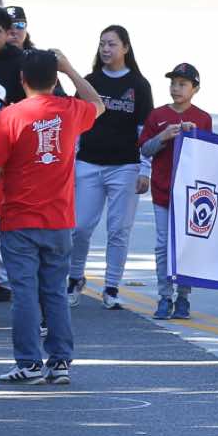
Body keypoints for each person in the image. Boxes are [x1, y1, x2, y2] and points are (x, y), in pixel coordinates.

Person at [0, 49, 105, 385]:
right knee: (55, 292)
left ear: (22, 79)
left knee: (25, 293)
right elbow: (98, 104)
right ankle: (60, 362)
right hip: (59, 219)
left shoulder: (10, 116)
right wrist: (70, 68)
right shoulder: (70, 109)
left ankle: (29, 362)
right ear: (55, 77)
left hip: (19, 220)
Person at [68, 24, 152, 309]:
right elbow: (76, 126)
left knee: (118, 229)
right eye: (102, 43)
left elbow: (144, 131)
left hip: (125, 166)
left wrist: (144, 169)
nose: (106, 49)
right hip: (88, 163)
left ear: (125, 48)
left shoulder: (139, 85)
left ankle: (112, 286)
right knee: (79, 227)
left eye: (112, 44)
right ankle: (75, 278)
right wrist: (71, 161)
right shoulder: (90, 81)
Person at [140, 61, 212, 321]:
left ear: (195, 89)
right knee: (162, 245)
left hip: (190, 194)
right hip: (162, 190)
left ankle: (183, 295)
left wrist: (194, 136)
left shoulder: (202, 118)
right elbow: (145, 149)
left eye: (182, 84)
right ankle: (164, 295)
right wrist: (163, 137)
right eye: (173, 83)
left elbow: (209, 154)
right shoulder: (157, 115)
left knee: (185, 245)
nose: (176, 88)